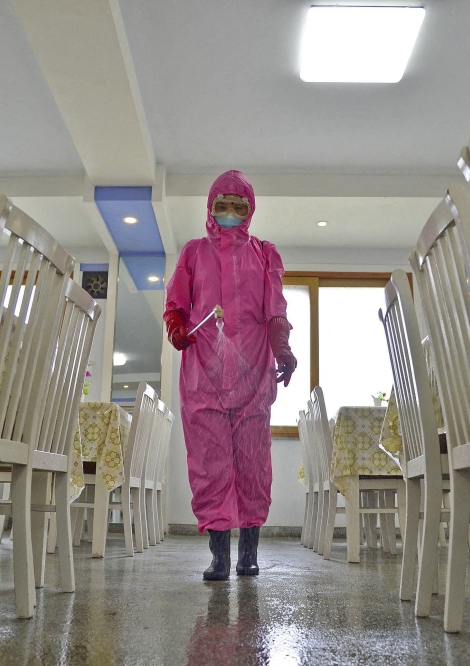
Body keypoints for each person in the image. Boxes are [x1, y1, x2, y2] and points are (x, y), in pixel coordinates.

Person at [164, 170, 297, 581]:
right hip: (203, 372)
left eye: (239, 206)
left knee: (253, 464)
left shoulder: (265, 253)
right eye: (222, 204)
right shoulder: (192, 253)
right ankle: (220, 556)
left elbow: (275, 310)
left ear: (250, 210)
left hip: (253, 371)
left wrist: (283, 347)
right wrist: (176, 329)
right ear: (210, 207)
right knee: (209, 465)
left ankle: (248, 553)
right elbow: (176, 305)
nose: (230, 212)